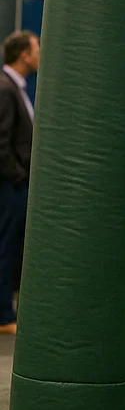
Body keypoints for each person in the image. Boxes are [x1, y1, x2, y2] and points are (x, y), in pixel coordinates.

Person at [0, 31, 39, 335]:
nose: (39, 53)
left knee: (11, 248)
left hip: (16, 186)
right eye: (36, 48)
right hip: (10, 187)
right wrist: (18, 177)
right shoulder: (5, 88)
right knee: (4, 248)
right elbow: (1, 143)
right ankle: (3, 315)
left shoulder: (17, 87)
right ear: (23, 54)